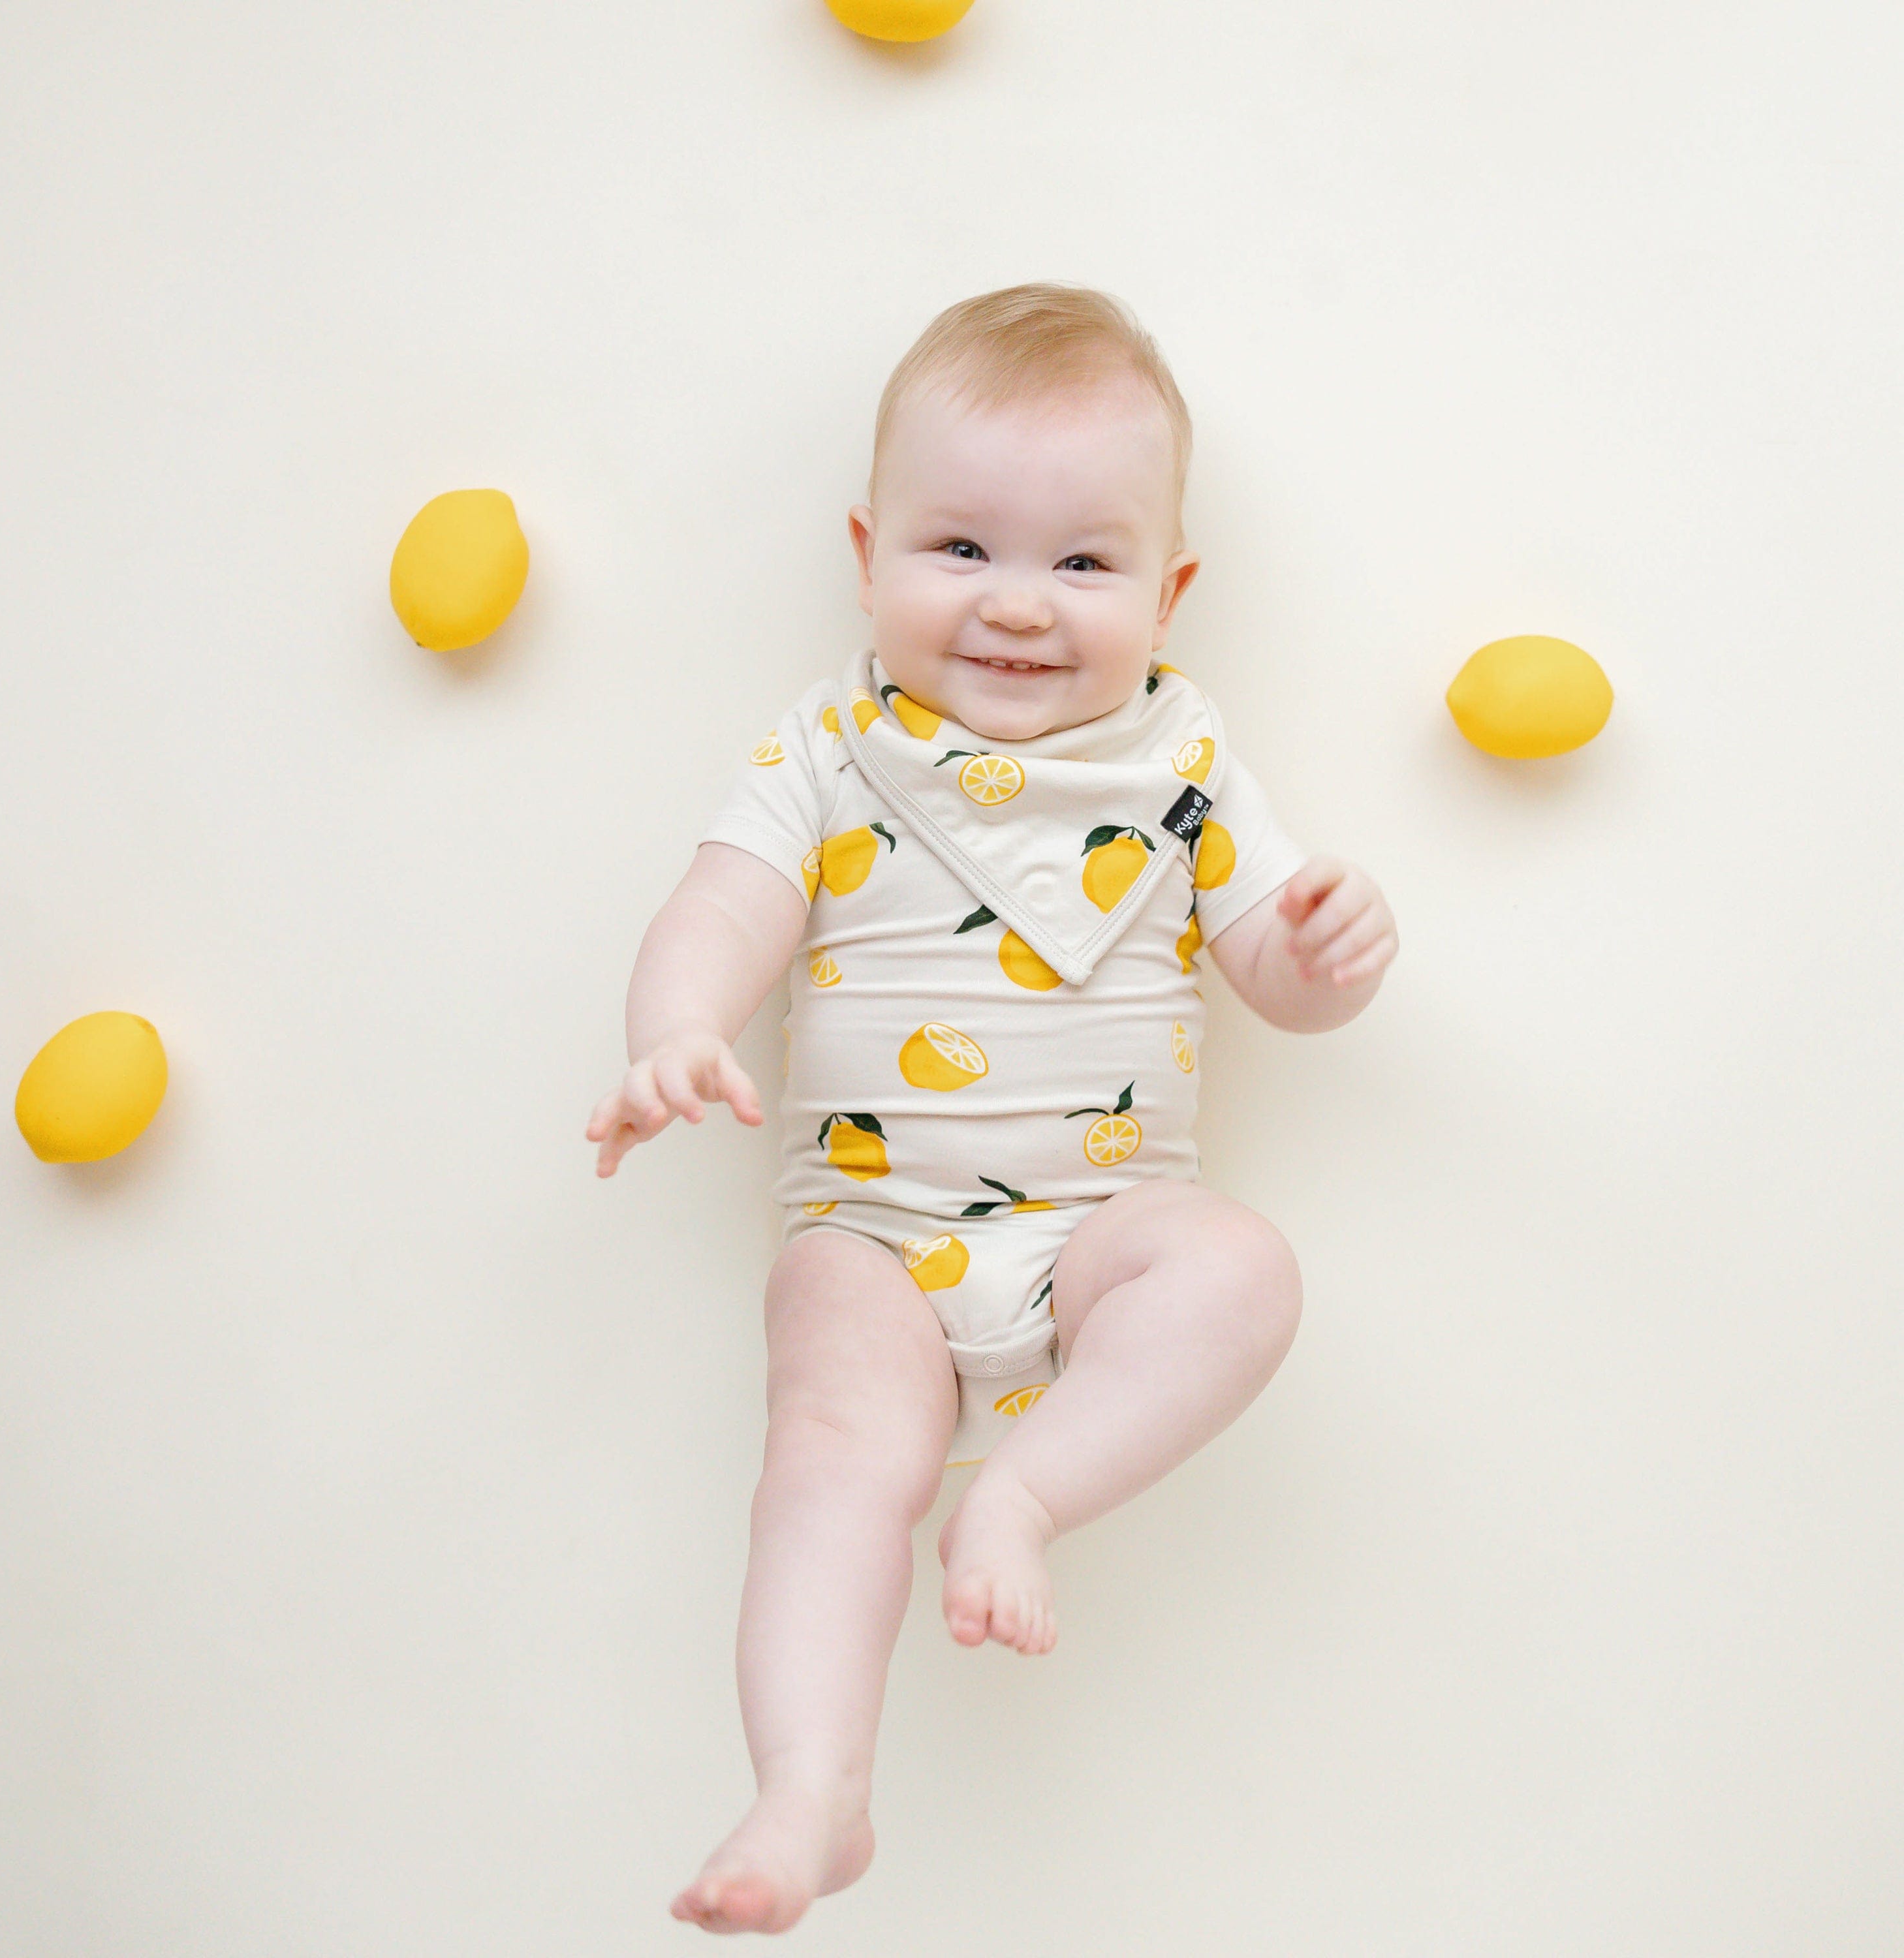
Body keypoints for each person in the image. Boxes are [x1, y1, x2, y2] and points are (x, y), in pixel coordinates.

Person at [585, 283, 1399, 1935]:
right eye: (961, 550)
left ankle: (1027, 1490)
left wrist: (1328, 956)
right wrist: (675, 1026)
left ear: (1168, 592)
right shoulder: (831, 748)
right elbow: (724, 904)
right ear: (867, 548)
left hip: (1101, 1238)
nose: (1020, 607)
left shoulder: (1185, 761)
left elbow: (1270, 977)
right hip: (875, 1241)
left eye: (1083, 565)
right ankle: (812, 1789)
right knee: (824, 1448)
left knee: (1242, 1270)